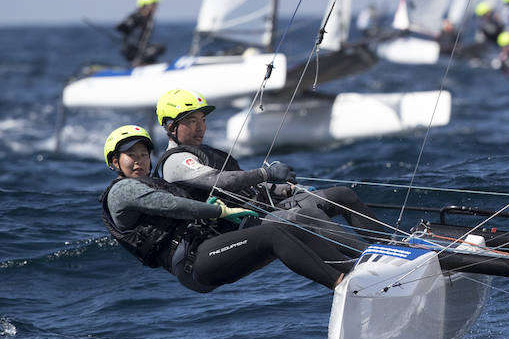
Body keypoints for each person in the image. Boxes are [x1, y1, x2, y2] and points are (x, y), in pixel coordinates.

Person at [99, 125, 352, 292]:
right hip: (194, 262)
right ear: (114, 162)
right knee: (274, 233)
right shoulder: (122, 190)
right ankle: (342, 284)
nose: (139, 161)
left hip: (208, 252)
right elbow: (172, 205)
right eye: (130, 156)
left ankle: (354, 270)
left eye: (143, 155)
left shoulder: (151, 182)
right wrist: (218, 211)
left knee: (288, 224)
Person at [152, 88, 390, 246]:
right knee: (309, 215)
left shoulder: (202, 152)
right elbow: (220, 182)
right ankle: (365, 258)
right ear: (171, 127)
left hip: (264, 208)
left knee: (342, 195)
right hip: (236, 227)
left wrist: (285, 189)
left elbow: (244, 187)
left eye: (202, 120)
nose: (200, 127)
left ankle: (389, 245)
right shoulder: (175, 161)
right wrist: (266, 173)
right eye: (191, 121)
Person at [115, 0, 166, 66]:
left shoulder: (149, 19)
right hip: (132, 50)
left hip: (142, 48)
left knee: (160, 48)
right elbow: (120, 27)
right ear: (146, 5)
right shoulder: (136, 16)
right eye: (154, 4)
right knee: (155, 49)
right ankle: (138, 63)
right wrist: (130, 24)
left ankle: (148, 64)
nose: (156, 7)